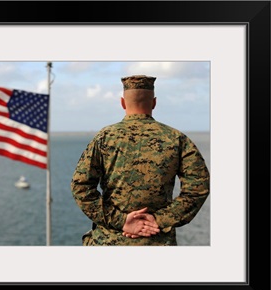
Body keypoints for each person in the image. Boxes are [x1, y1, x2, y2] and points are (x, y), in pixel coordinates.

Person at [70, 75, 210, 246]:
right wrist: (158, 220)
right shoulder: (176, 139)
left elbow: (81, 186)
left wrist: (121, 221)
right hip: (158, 242)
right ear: (154, 103)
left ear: (122, 103)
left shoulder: (104, 137)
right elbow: (199, 187)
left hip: (108, 242)